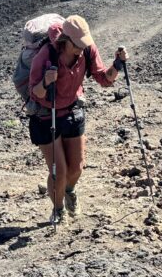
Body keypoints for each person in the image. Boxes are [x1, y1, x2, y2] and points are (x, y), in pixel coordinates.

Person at [27, 14, 127, 224]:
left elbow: (103, 78)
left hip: (72, 108)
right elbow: (34, 93)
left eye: (84, 44)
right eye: (77, 45)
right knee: (59, 171)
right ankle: (58, 209)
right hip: (47, 115)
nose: (82, 49)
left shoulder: (87, 50)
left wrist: (117, 65)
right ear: (66, 41)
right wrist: (46, 83)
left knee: (77, 167)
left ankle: (69, 191)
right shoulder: (46, 55)